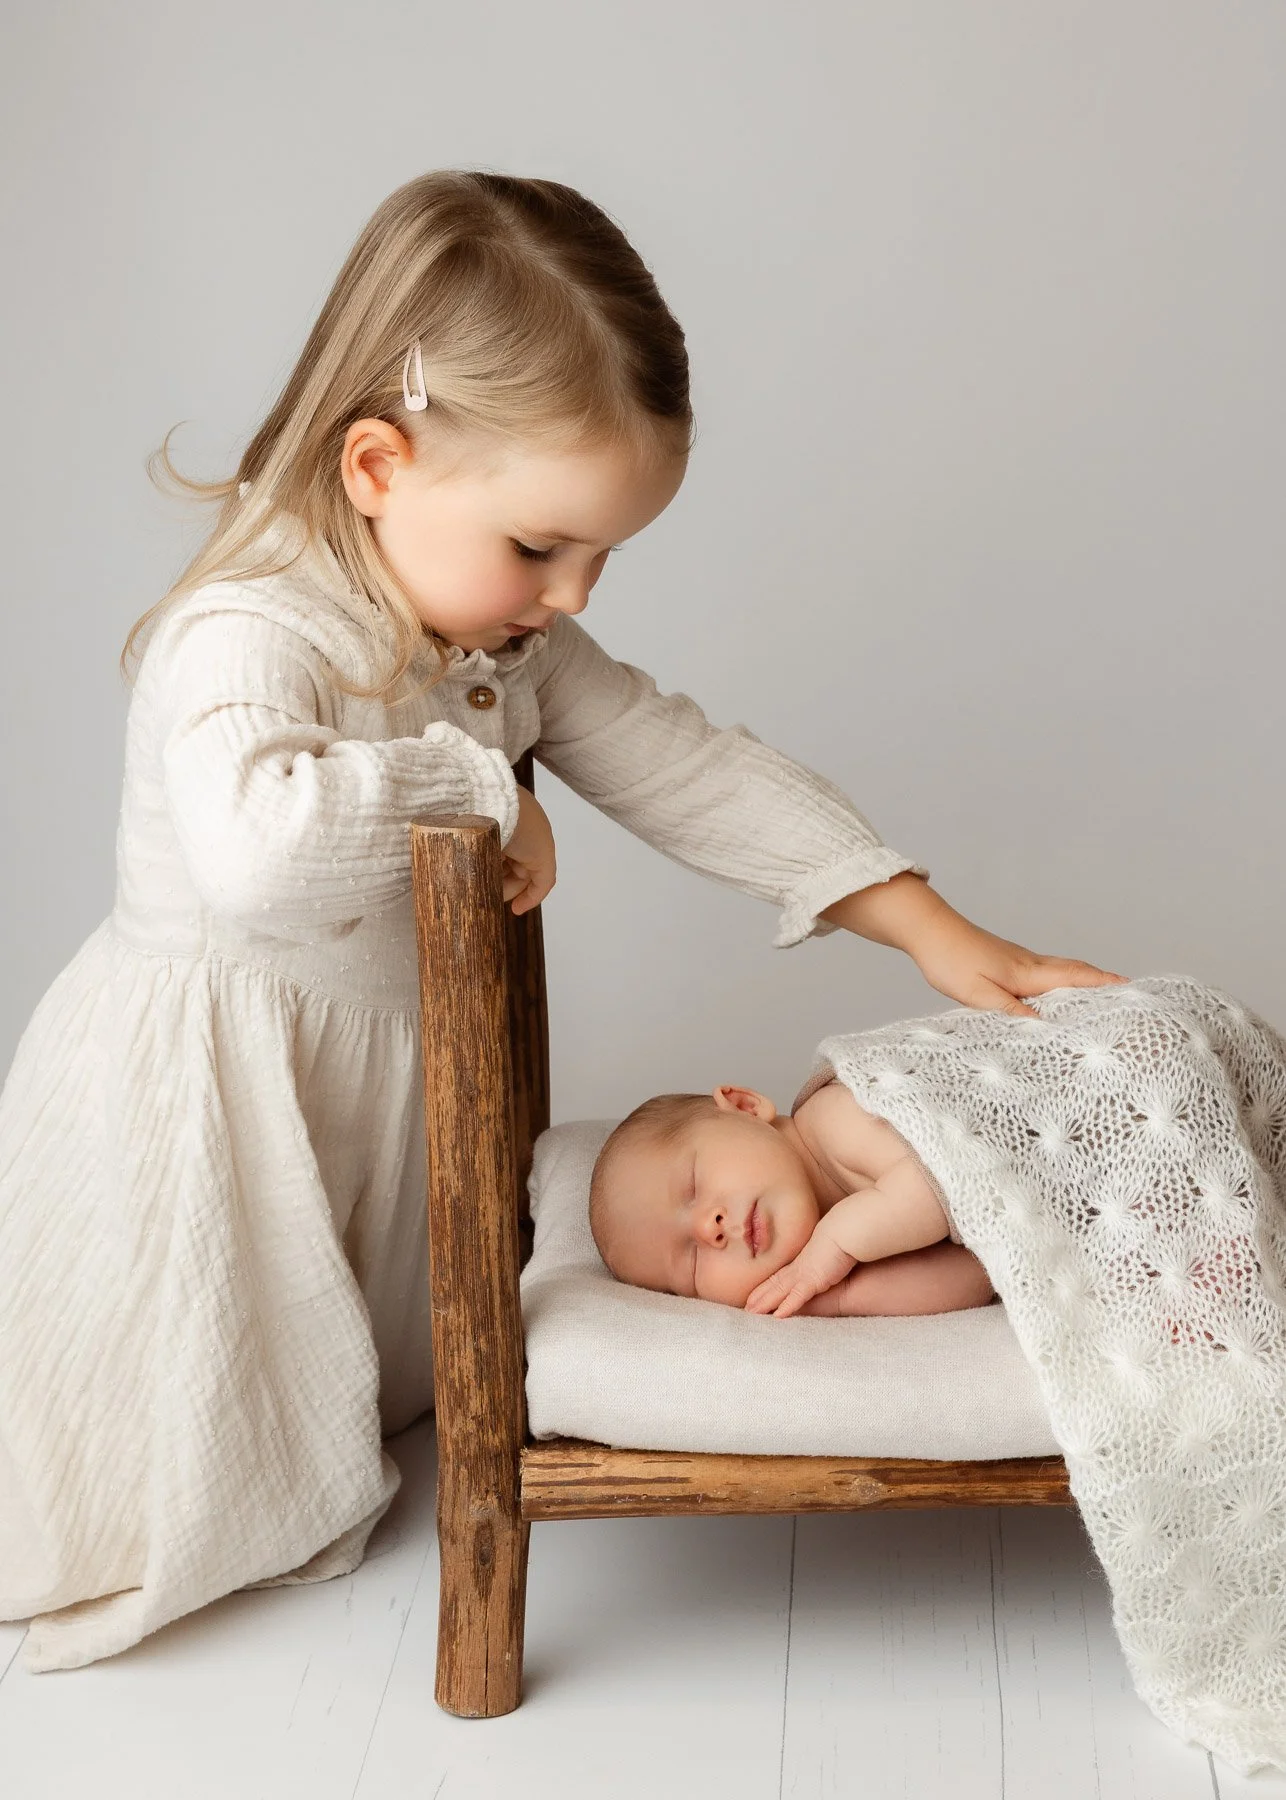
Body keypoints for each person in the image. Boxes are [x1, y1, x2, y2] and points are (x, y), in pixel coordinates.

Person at [0, 169, 1124, 1671]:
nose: (568, 595)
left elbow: (680, 760)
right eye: (541, 549)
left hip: (373, 1075)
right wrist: (472, 780)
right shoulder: (250, 625)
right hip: (209, 1076)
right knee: (158, 1427)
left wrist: (917, 919)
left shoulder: (492, 631)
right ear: (376, 465)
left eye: (602, 558)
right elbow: (258, 851)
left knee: (365, 1378)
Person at [587, 1079, 997, 1318]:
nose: (707, 1228)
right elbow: (981, 1273)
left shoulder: (837, 1112)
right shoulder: (838, 1259)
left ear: (744, 1107)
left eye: (693, 1185)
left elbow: (953, 1184)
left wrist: (836, 1243)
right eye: (690, 1264)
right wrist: (839, 1296)